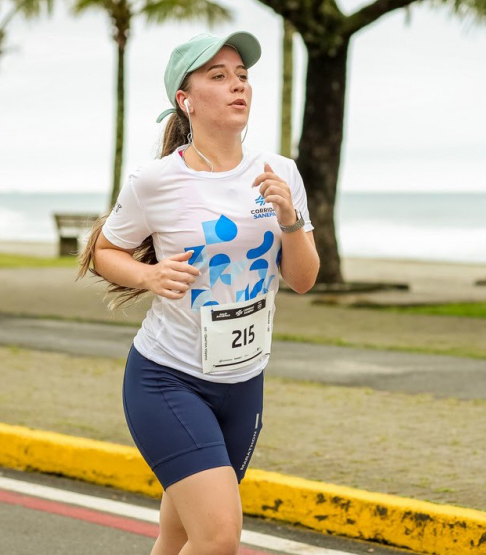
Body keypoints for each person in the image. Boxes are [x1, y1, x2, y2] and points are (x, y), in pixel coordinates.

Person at [77, 31, 319, 555]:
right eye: (218, 76)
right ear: (185, 101)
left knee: (179, 534)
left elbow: (302, 280)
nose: (237, 85)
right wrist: (149, 276)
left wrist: (290, 221)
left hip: (244, 382)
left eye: (243, 76)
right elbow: (103, 251)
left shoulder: (282, 174)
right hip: (167, 379)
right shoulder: (155, 181)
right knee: (219, 538)